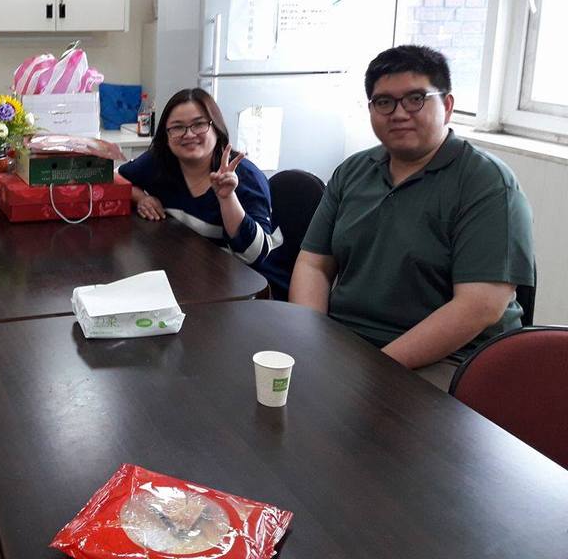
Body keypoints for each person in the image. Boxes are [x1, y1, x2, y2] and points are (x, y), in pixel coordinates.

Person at [290, 45, 535, 389]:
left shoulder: (486, 183)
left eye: (415, 99)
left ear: (447, 106)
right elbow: (313, 264)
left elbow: (480, 305)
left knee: (351, 417)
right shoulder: (353, 171)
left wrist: (375, 369)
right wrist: (311, 339)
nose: (399, 113)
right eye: (384, 102)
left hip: (450, 359)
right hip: (348, 341)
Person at [119, 88, 289, 297]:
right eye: (177, 127)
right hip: (193, 278)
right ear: (166, 135)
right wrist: (142, 198)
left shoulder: (245, 177)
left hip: (251, 291)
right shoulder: (160, 162)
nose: (189, 134)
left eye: (199, 124)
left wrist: (227, 198)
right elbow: (116, 178)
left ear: (216, 127)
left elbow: (254, 256)